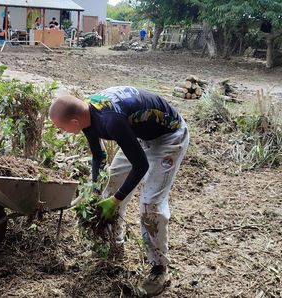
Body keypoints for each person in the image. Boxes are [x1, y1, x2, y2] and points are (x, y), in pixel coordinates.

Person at [48, 86, 189, 297]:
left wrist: (116, 200)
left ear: (74, 122)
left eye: (62, 128)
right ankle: (115, 246)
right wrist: (95, 191)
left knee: (150, 205)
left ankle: (159, 269)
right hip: (139, 134)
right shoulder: (88, 113)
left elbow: (141, 166)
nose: (62, 131)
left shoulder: (110, 120)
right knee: (109, 189)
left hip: (169, 136)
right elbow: (98, 156)